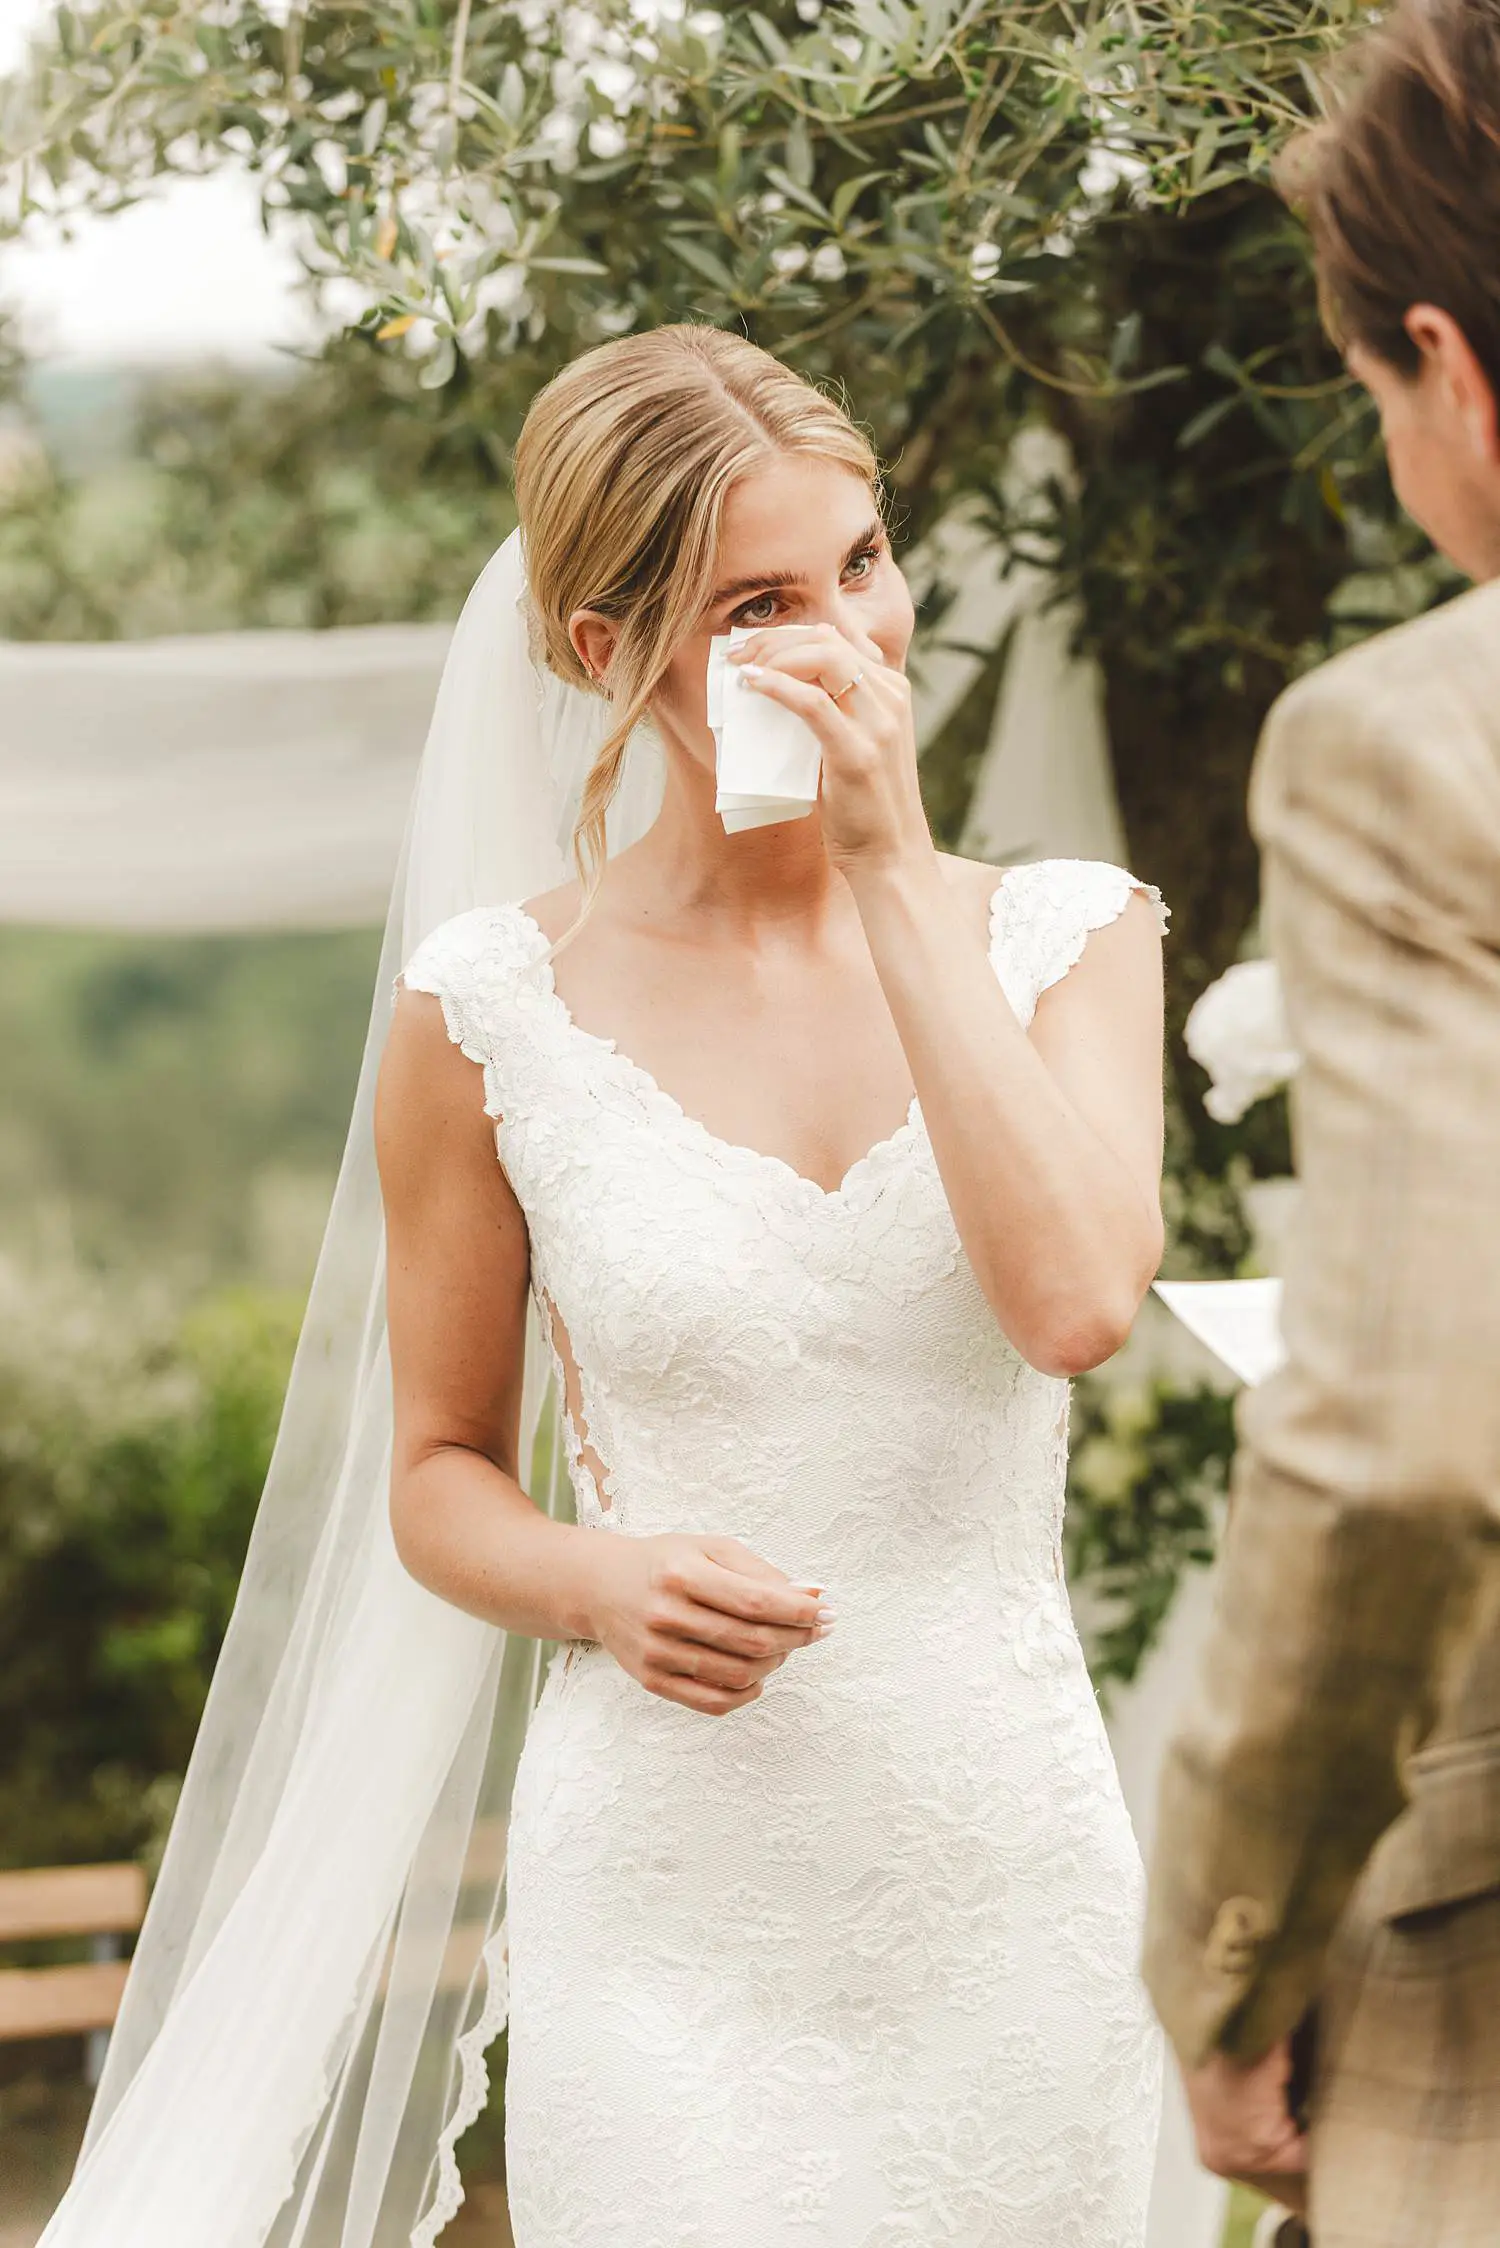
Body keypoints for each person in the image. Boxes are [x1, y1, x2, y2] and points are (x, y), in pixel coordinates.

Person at [37, 324, 1165, 2248]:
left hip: (1003, 1891)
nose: (851, 640)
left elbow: (1071, 1306)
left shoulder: (1068, 939)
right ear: (604, 651)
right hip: (670, 1913)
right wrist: (600, 1579)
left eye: (865, 566)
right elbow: (440, 1473)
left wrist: (896, 880)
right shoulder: (490, 1012)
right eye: (761, 604)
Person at [1142, 4, 1500, 2244]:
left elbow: (1406, 1438)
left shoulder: (1416, 751)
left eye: (1372, 403)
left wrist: (1235, 1945)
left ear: (1453, 371)